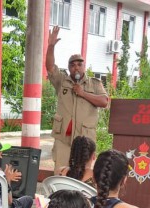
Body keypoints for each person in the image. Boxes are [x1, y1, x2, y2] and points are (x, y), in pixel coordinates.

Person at [46, 26, 109, 171]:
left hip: (84, 140)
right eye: (73, 65)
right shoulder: (62, 81)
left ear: (84, 66)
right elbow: (50, 67)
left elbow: (104, 102)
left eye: (79, 64)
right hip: (64, 139)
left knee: (82, 173)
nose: (76, 67)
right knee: (61, 171)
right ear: (69, 68)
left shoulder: (94, 83)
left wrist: (83, 93)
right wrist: (51, 46)